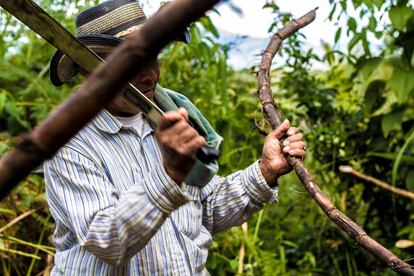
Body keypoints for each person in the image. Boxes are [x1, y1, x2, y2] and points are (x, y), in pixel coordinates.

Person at [44, 0, 306, 275]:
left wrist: (266, 170)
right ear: (91, 71)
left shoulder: (170, 114)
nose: (150, 75)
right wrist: (169, 174)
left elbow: (206, 208)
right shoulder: (68, 144)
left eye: (152, 58)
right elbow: (107, 240)